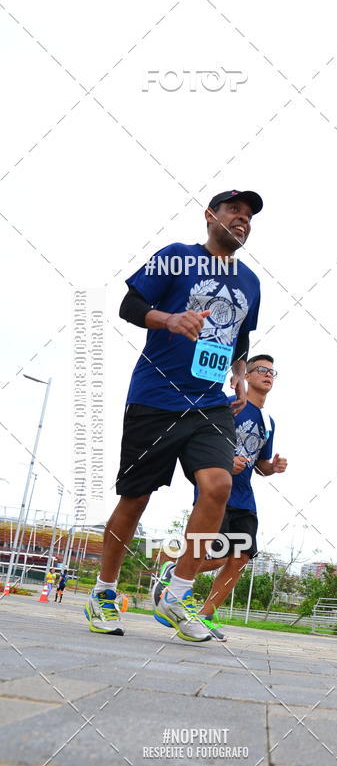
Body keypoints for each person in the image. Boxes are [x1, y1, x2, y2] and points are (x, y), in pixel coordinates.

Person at [84, 189, 263, 641]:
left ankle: (176, 594)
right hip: (156, 397)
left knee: (218, 486)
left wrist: (239, 374)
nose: (242, 221)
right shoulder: (176, 258)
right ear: (210, 216)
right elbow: (129, 306)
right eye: (234, 212)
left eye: (248, 217)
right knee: (136, 498)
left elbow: (238, 340)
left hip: (210, 403)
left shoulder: (251, 283)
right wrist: (170, 320)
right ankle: (104, 591)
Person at [153, 354, 287, 640]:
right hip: (216, 490)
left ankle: (204, 615)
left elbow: (259, 464)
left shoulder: (268, 421)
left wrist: (271, 468)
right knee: (214, 553)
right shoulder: (229, 404)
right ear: (246, 376)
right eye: (262, 370)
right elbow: (202, 441)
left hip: (244, 497)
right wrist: (227, 459)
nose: (268, 375)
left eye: (273, 373)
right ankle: (175, 572)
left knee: (241, 557)